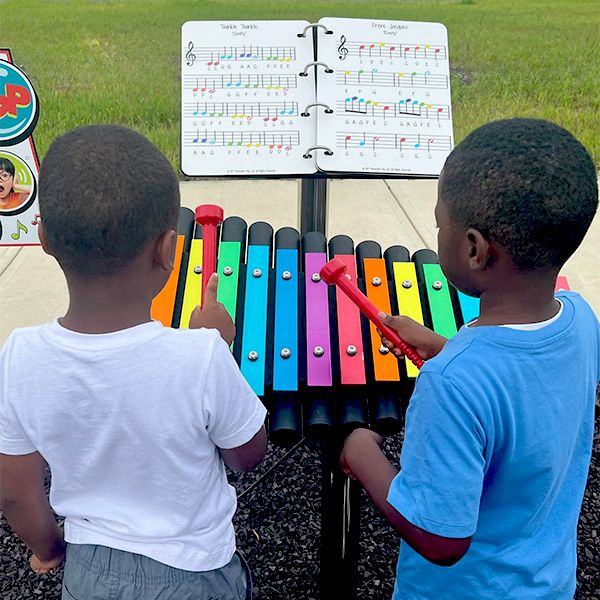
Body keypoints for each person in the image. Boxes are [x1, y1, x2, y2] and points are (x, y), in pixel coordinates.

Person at [0, 125, 267, 600]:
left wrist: (51, 549)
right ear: (168, 250)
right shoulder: (201, 356)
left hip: (88, 576)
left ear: (43, 238)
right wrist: (218, 346)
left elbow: (15, 491)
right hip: (196, 576)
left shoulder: (18, 357)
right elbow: (248, 456)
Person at [341, 118, 600, 599]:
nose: (436, 232)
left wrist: (362, 453)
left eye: (440, 223)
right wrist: (448, 348)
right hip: (546, 583)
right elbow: (530, 391)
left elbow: (441, 538)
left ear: (475, 249)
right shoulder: (583, 321)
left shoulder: (452, 384)